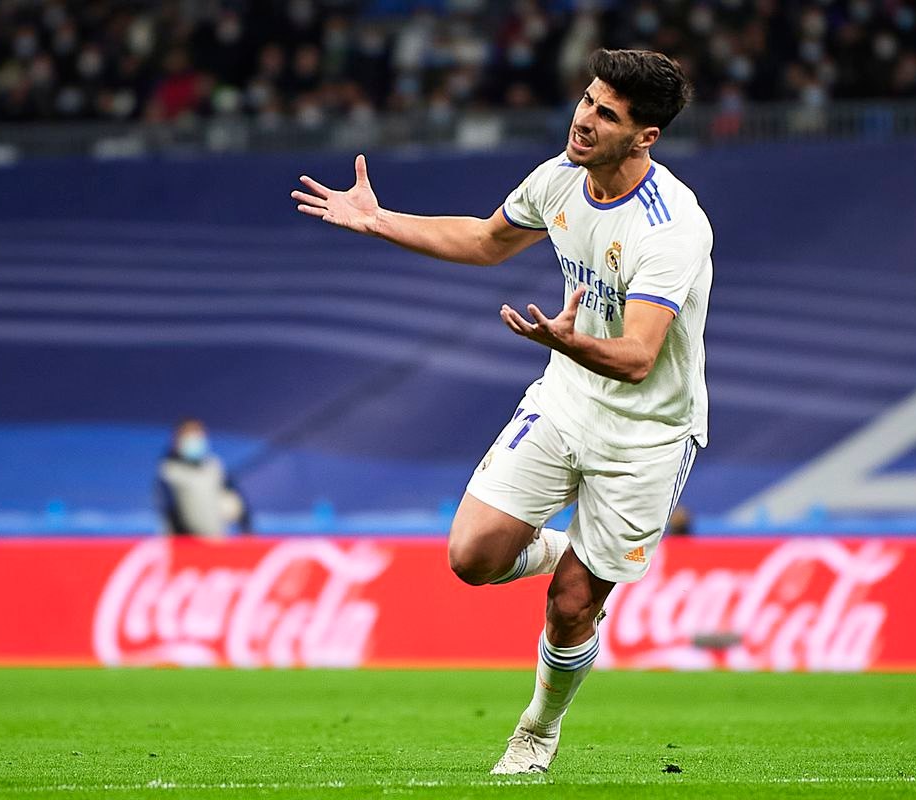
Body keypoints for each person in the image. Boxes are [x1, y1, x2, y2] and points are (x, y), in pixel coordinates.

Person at [292, 48, 711, 775]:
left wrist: (567, 340)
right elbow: (488, 241)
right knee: (471, 558)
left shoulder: (671, 227)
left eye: (607, 114)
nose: (584, 119)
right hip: (566, 400)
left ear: (645, 137)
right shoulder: (560, 178)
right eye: (587, 99)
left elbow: (639, 357)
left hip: (647, 433)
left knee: (572, 605)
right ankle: (563, 552)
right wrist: (380, 220)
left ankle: (537, 732)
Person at [156, 418, 251, 538]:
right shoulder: (169, 470)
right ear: (176, 440)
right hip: (184, 542)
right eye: (189, 435)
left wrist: (246, 530)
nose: (194, 440)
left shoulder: (214, 466)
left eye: (198, 434)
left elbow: (236, 503)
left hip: (217, 540)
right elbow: (170, 511)